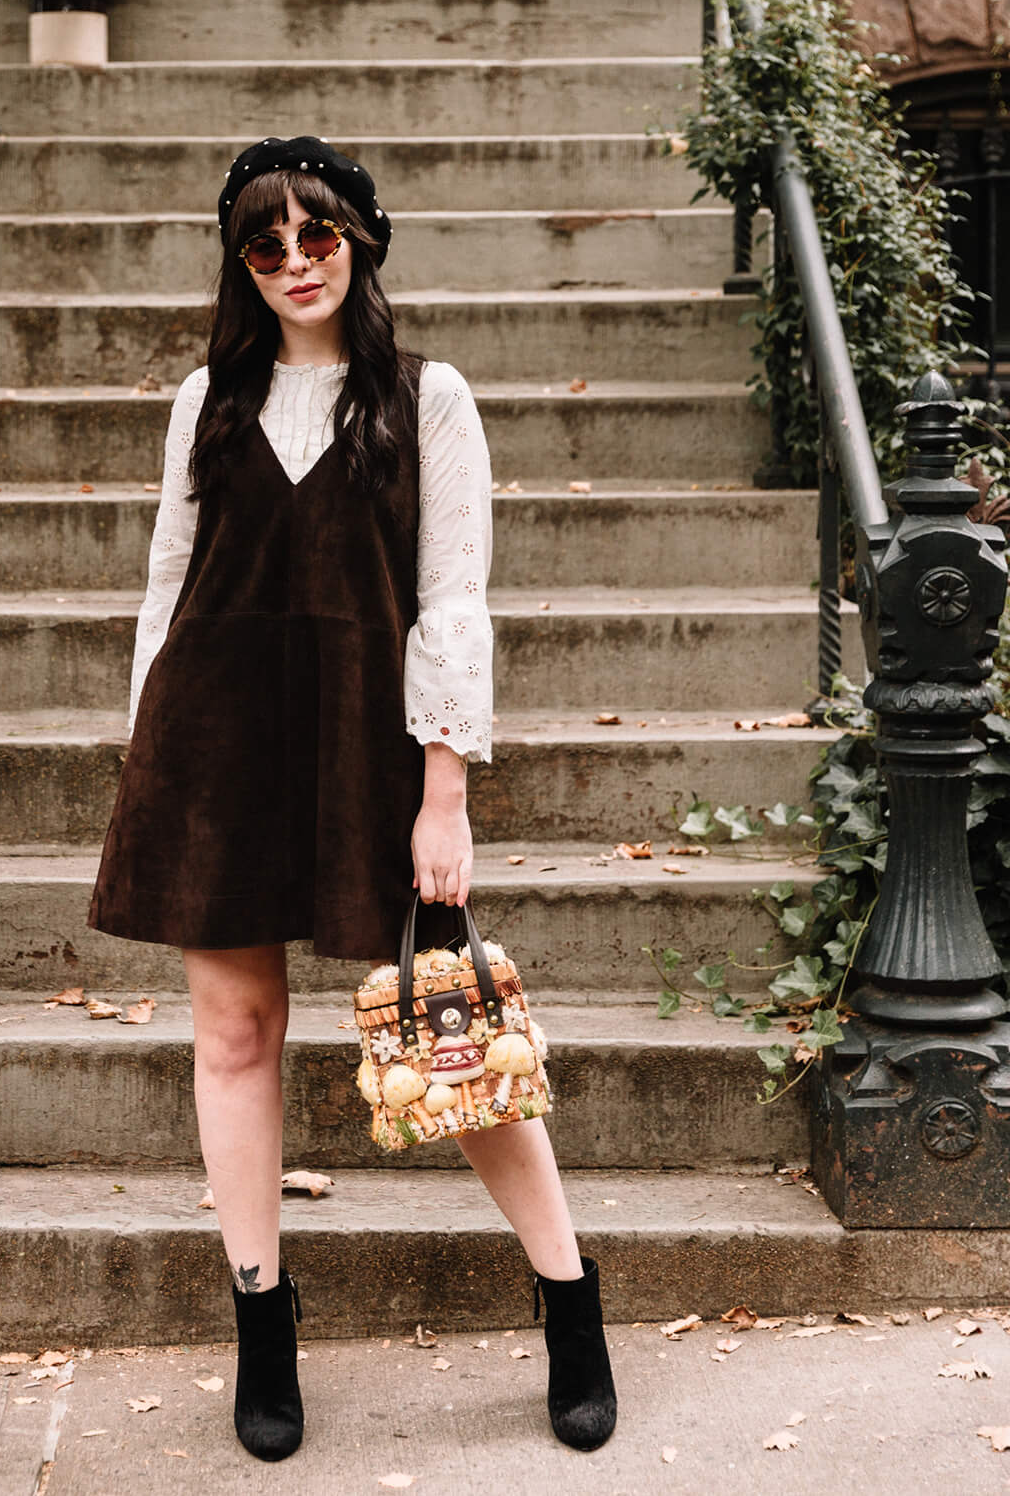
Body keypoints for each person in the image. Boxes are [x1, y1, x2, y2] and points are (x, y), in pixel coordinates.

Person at [87, 133, 617, 1461]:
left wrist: (447, 786)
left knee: (456, 1035)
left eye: (314, 236)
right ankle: (263, 1324)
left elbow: (452, 599)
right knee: (235, 1034)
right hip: (213, 748)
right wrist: (142, 750)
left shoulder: (429, 400)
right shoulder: (208, 400)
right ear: (243, 262)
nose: (293, 264)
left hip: (369, 748)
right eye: (265, 245)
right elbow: (166, 584)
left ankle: (570, 1300)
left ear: (359, 240)